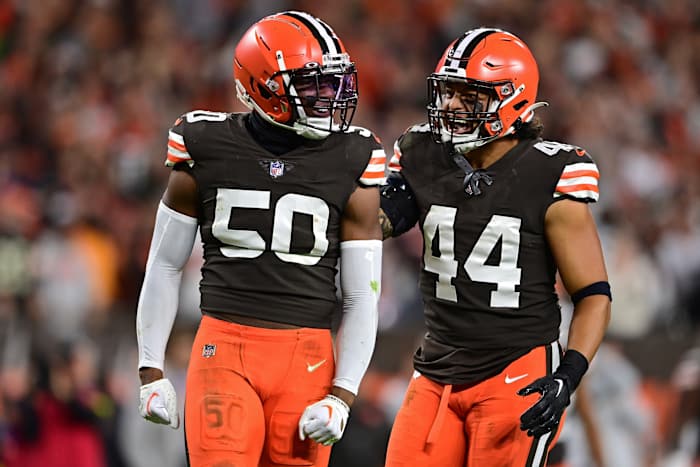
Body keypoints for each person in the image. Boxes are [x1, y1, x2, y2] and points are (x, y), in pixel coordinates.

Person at [134, 11, 385, 467]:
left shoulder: (353, 155)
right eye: (312, 85)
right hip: (223, 349)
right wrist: (150, 369)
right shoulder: (205, 144)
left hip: (307, 357)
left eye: (331, 83)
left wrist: (343, 394)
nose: (328, 96)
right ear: (264, 86)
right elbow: (164, 263)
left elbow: (362, 296)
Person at [379, 28, 611, 466]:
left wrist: (569, 373)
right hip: (437, 369)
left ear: (513, 100)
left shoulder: (549, 172)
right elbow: (375, 222)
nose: (451, 107)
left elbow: (593, 295)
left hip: (516, 370)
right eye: (448, 94)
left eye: (469, 97)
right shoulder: (422, 154)